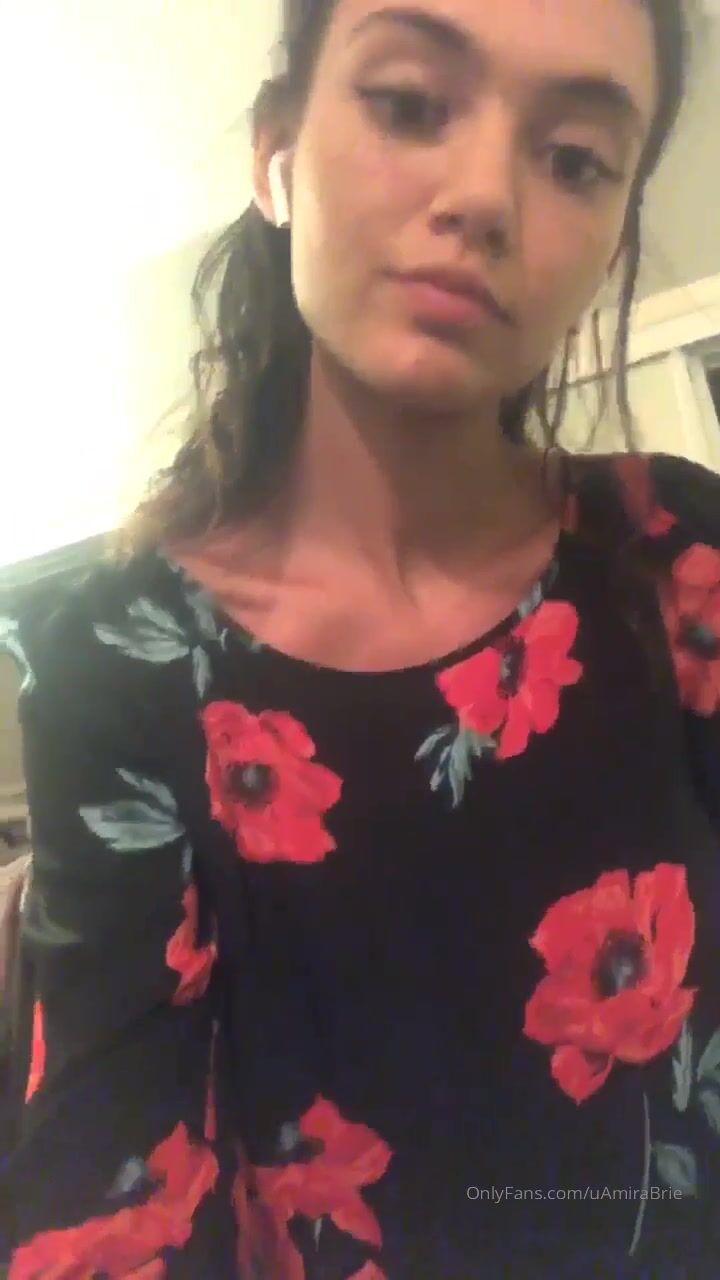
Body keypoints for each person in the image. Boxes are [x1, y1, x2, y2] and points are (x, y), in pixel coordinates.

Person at [2, 0, 720, 1275]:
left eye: (574, 159)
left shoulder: (680, 556)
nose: (484, 196)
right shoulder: (116, 659)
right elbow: (110, 1187)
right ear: (276, 149)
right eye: (407, 103)